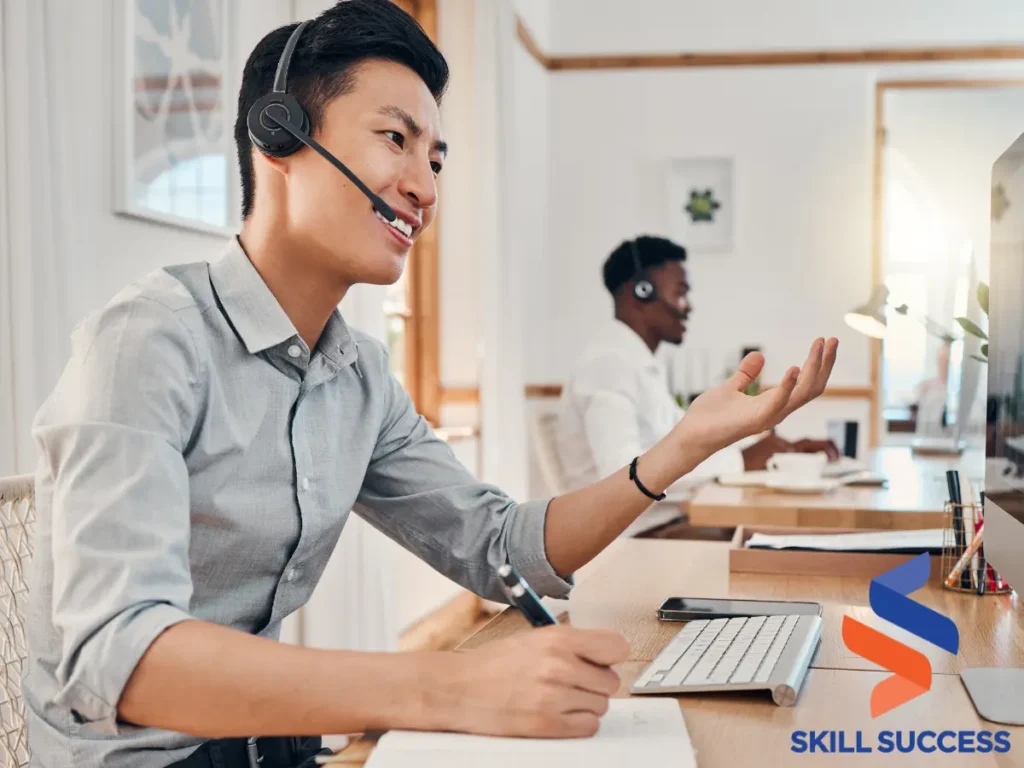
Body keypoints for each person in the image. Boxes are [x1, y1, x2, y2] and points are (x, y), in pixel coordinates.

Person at [22, 4, 837, 767]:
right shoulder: (148, 343)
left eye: (436, 158)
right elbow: (119, 656)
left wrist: (681, 446)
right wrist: (444, 689)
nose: (425, 187)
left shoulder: (357, 376)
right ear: (278, 136)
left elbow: (502, 547)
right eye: (395, 140)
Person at [557, 236, 840, 492]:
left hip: (660, 522)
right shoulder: (608, 366)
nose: (688, 306)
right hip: (632, 538)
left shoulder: (636, 363)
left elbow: (685, 440)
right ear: (642, 291)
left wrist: (783, 450)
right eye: (680, 293)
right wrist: (740, 460)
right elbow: (622, 475)